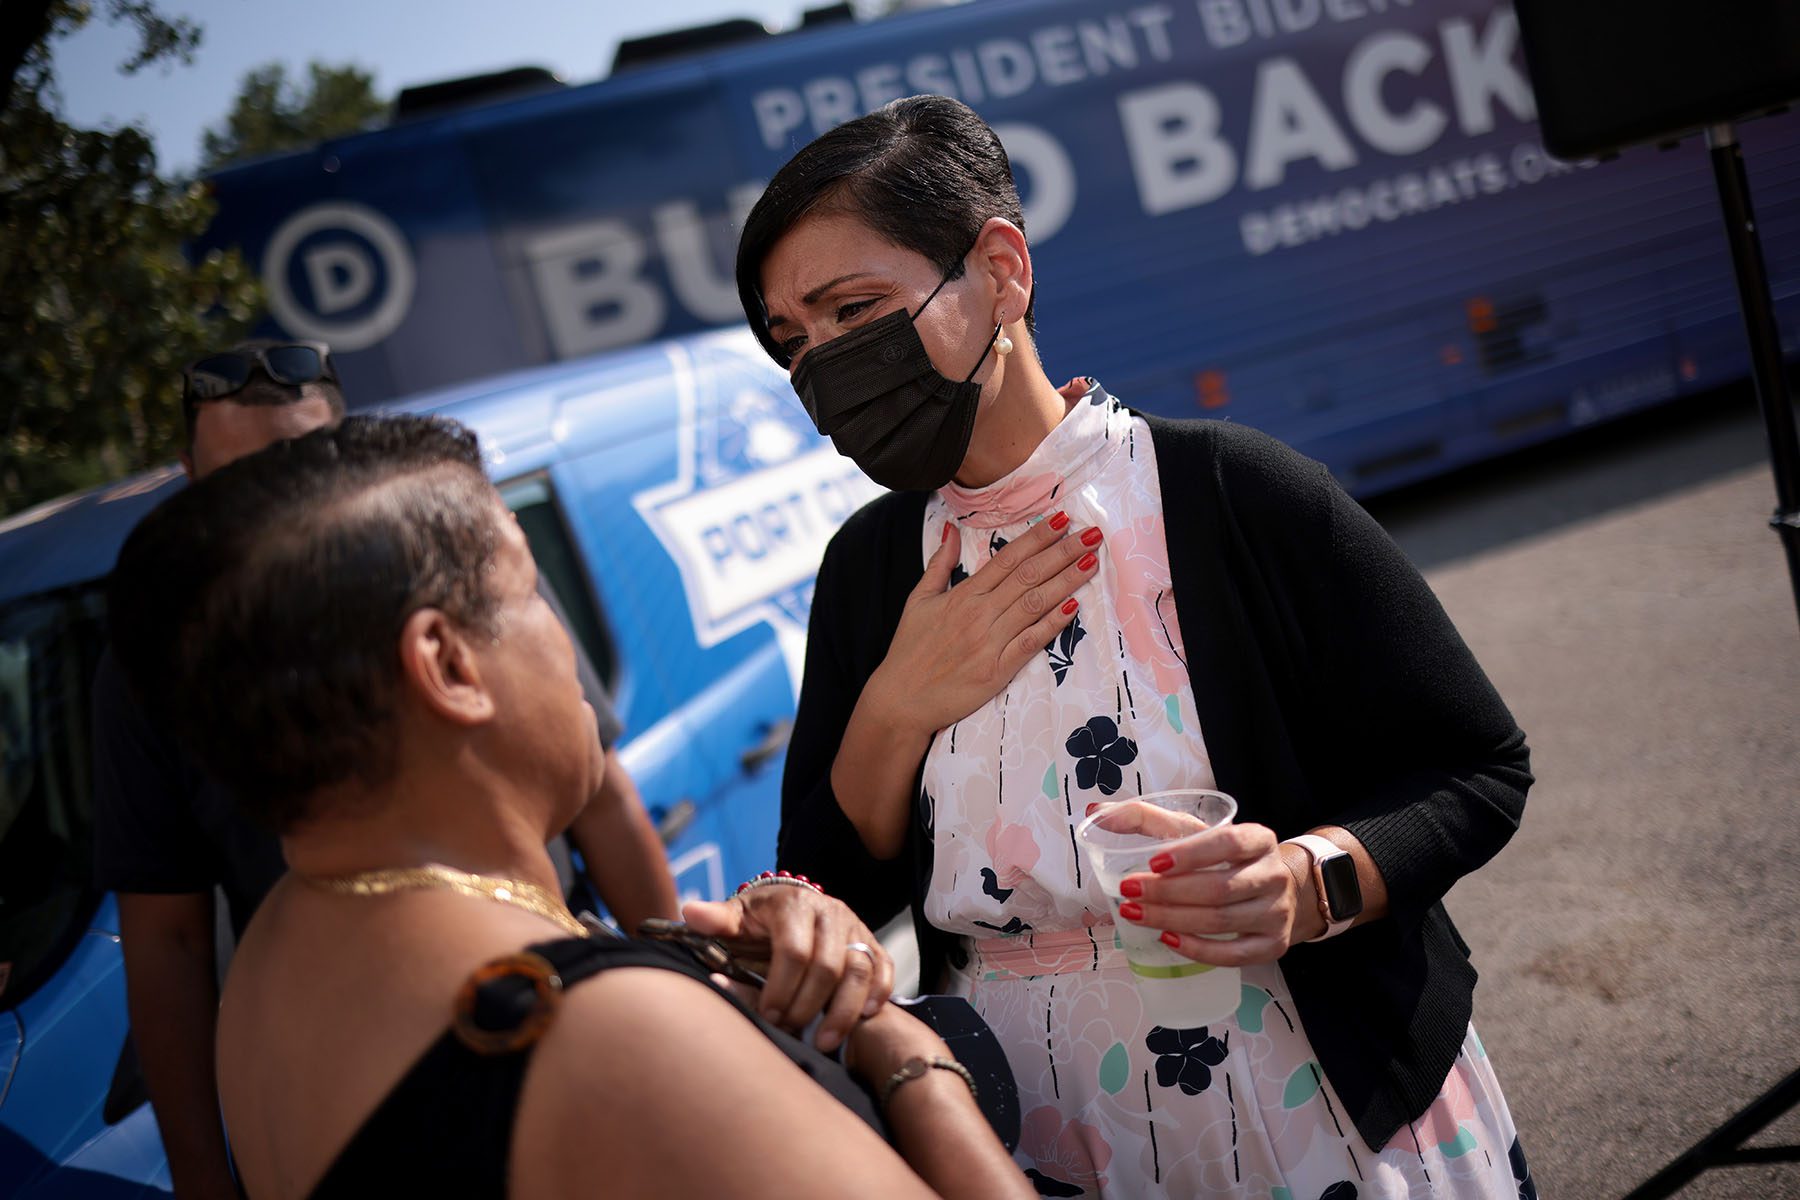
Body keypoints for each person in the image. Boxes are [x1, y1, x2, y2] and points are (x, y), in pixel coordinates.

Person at [738, 95, 1538, 1198]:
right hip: (1025, 1135)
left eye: (853, 308)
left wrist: (1313, 882)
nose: (825, 363)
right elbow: (830, 878)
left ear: (1002, 272)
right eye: (795, 340)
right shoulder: (870, 569)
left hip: (1313, 1108)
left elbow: (1477, 766)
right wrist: (895, 706)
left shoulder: (1232, 493)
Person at [104, 414, 1034, 1200]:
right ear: (449, 666)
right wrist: (894, 1046)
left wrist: (702, 973)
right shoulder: (602, 1033)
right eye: (526, 588)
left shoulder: (275, 962)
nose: (565, 640)